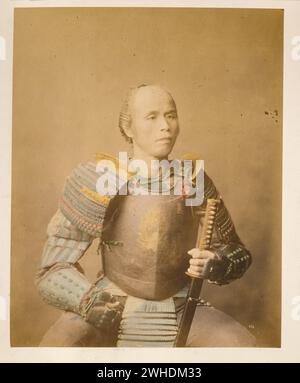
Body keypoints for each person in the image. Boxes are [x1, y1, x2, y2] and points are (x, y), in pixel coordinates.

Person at [36, 84, 255, 347]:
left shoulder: (192, 177)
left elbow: (236, 251)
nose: (165, 126)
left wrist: (216, 262)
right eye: (152, 117)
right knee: (57, 345)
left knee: (240, 346)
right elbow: (52, 269)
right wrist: (87, 300)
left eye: (171, 115)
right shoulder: (100, 179)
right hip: (112, 301)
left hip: (182, 303)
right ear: (128, 128)